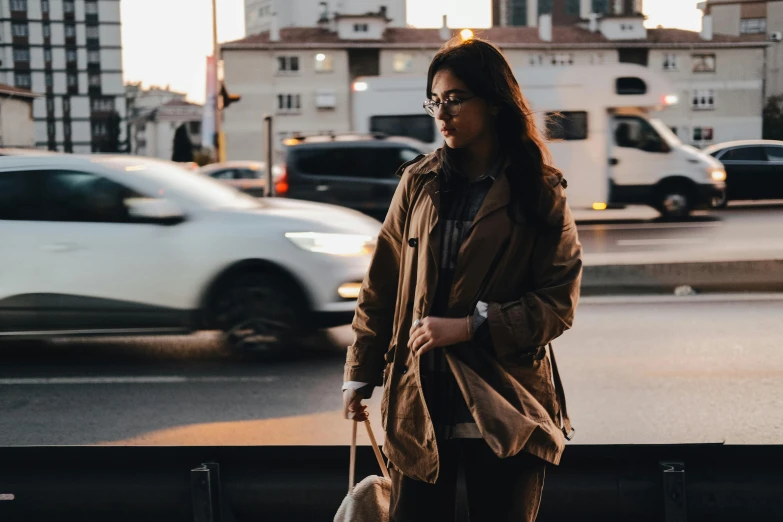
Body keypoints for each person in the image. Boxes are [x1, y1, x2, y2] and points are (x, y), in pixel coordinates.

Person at [342, 36, 583, 522]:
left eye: (455, 99)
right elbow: (382, 283)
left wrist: (472, 325)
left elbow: (558, 302)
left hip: (504, 402)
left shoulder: (539, 190)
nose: (442, 112)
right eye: (436, 100)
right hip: (419, 396)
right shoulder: (420, 183)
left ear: (494, 103)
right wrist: (359, 372)